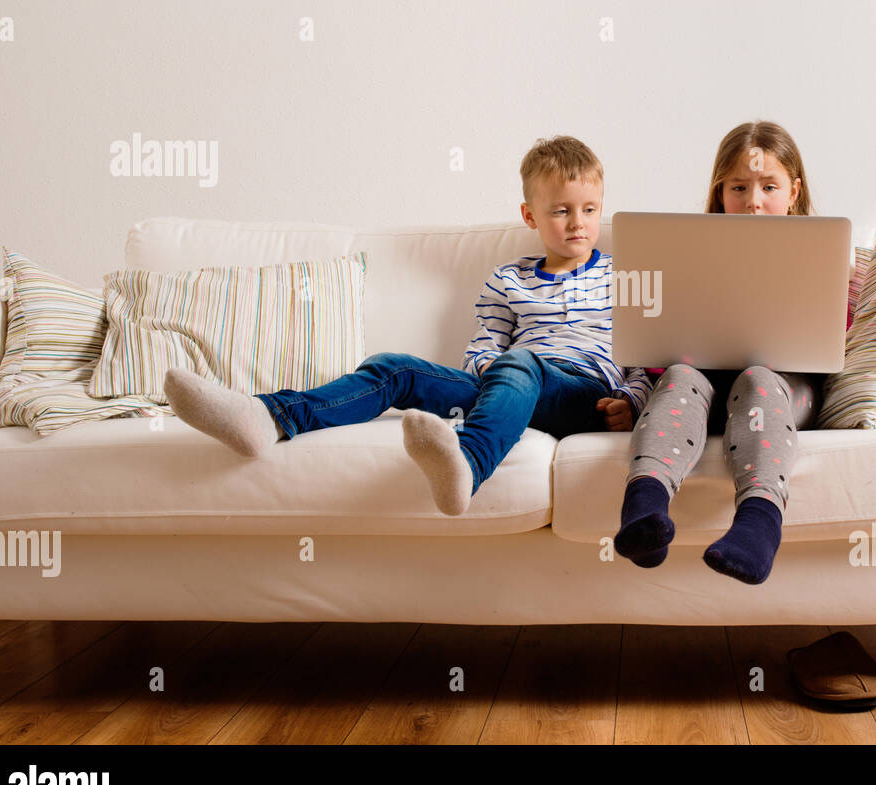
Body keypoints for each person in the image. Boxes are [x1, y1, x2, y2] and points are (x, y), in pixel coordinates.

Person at [164, 135, 652, 516]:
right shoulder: (508, 279)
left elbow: (645, 355)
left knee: (519, 361)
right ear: (530, 215)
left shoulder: (621, 275)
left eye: (589, 210)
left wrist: (631, 403)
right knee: (393, 367)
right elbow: (483, 345)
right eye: (561, 210)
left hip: (583, 396)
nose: (577, 223)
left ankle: (469, 462)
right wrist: (490, 373)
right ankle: (269, 417)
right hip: (504, 388)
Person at [612, 120, 854, 585]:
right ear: (720, 193)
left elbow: (831, 342)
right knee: (681, 376)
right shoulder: (686, 251)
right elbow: (654, 341)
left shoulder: (822, 254)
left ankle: (758, 527)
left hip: (782, 394)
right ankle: (644, 511)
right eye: (739, 187)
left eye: (769, 186)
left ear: (794, 192)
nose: (753, 201)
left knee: (759, 378)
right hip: (702, 391)